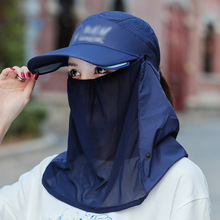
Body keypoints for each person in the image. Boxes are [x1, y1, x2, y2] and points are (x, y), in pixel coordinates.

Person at [0, 11, 210, 220]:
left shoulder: (178, 182)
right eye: (75, 73)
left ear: (141, 81)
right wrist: (3, 113)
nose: (86, 88)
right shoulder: (46, 177)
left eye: (101, 70)